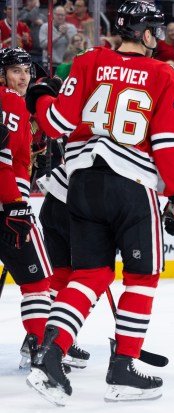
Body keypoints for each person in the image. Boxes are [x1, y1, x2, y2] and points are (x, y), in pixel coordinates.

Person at [24, 1, 174, 404]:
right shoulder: (163, 73)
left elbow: (57, 124)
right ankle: (123, 369)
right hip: (131, 185)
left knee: (90, 275)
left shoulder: (88, 60)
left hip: (81, 185)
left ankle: (50, 355)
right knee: (142, 274)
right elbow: (167, 141)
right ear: (145, 33)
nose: (159, 36)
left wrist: (40, 98)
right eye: (156, 29)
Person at [0, 47, 53, 371]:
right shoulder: (9, 103)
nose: (23, 77)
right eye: (16, 70)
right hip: (9, 207)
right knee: (39, 281)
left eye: (26, 71)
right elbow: (2, 159)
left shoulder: (14, 105)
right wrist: (15, 205)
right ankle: (38, 348)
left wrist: (34, 148)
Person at [39, 6, 77, 73]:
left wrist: (66, 35)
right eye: (58, 15)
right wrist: (59, 35)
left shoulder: (72, 28)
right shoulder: (45, 27)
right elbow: (43, 45)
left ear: (65, 16)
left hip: (66, 64)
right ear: (53, 14)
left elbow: (74, 46)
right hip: (49, 64)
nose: (60, 17)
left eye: (62, 15)